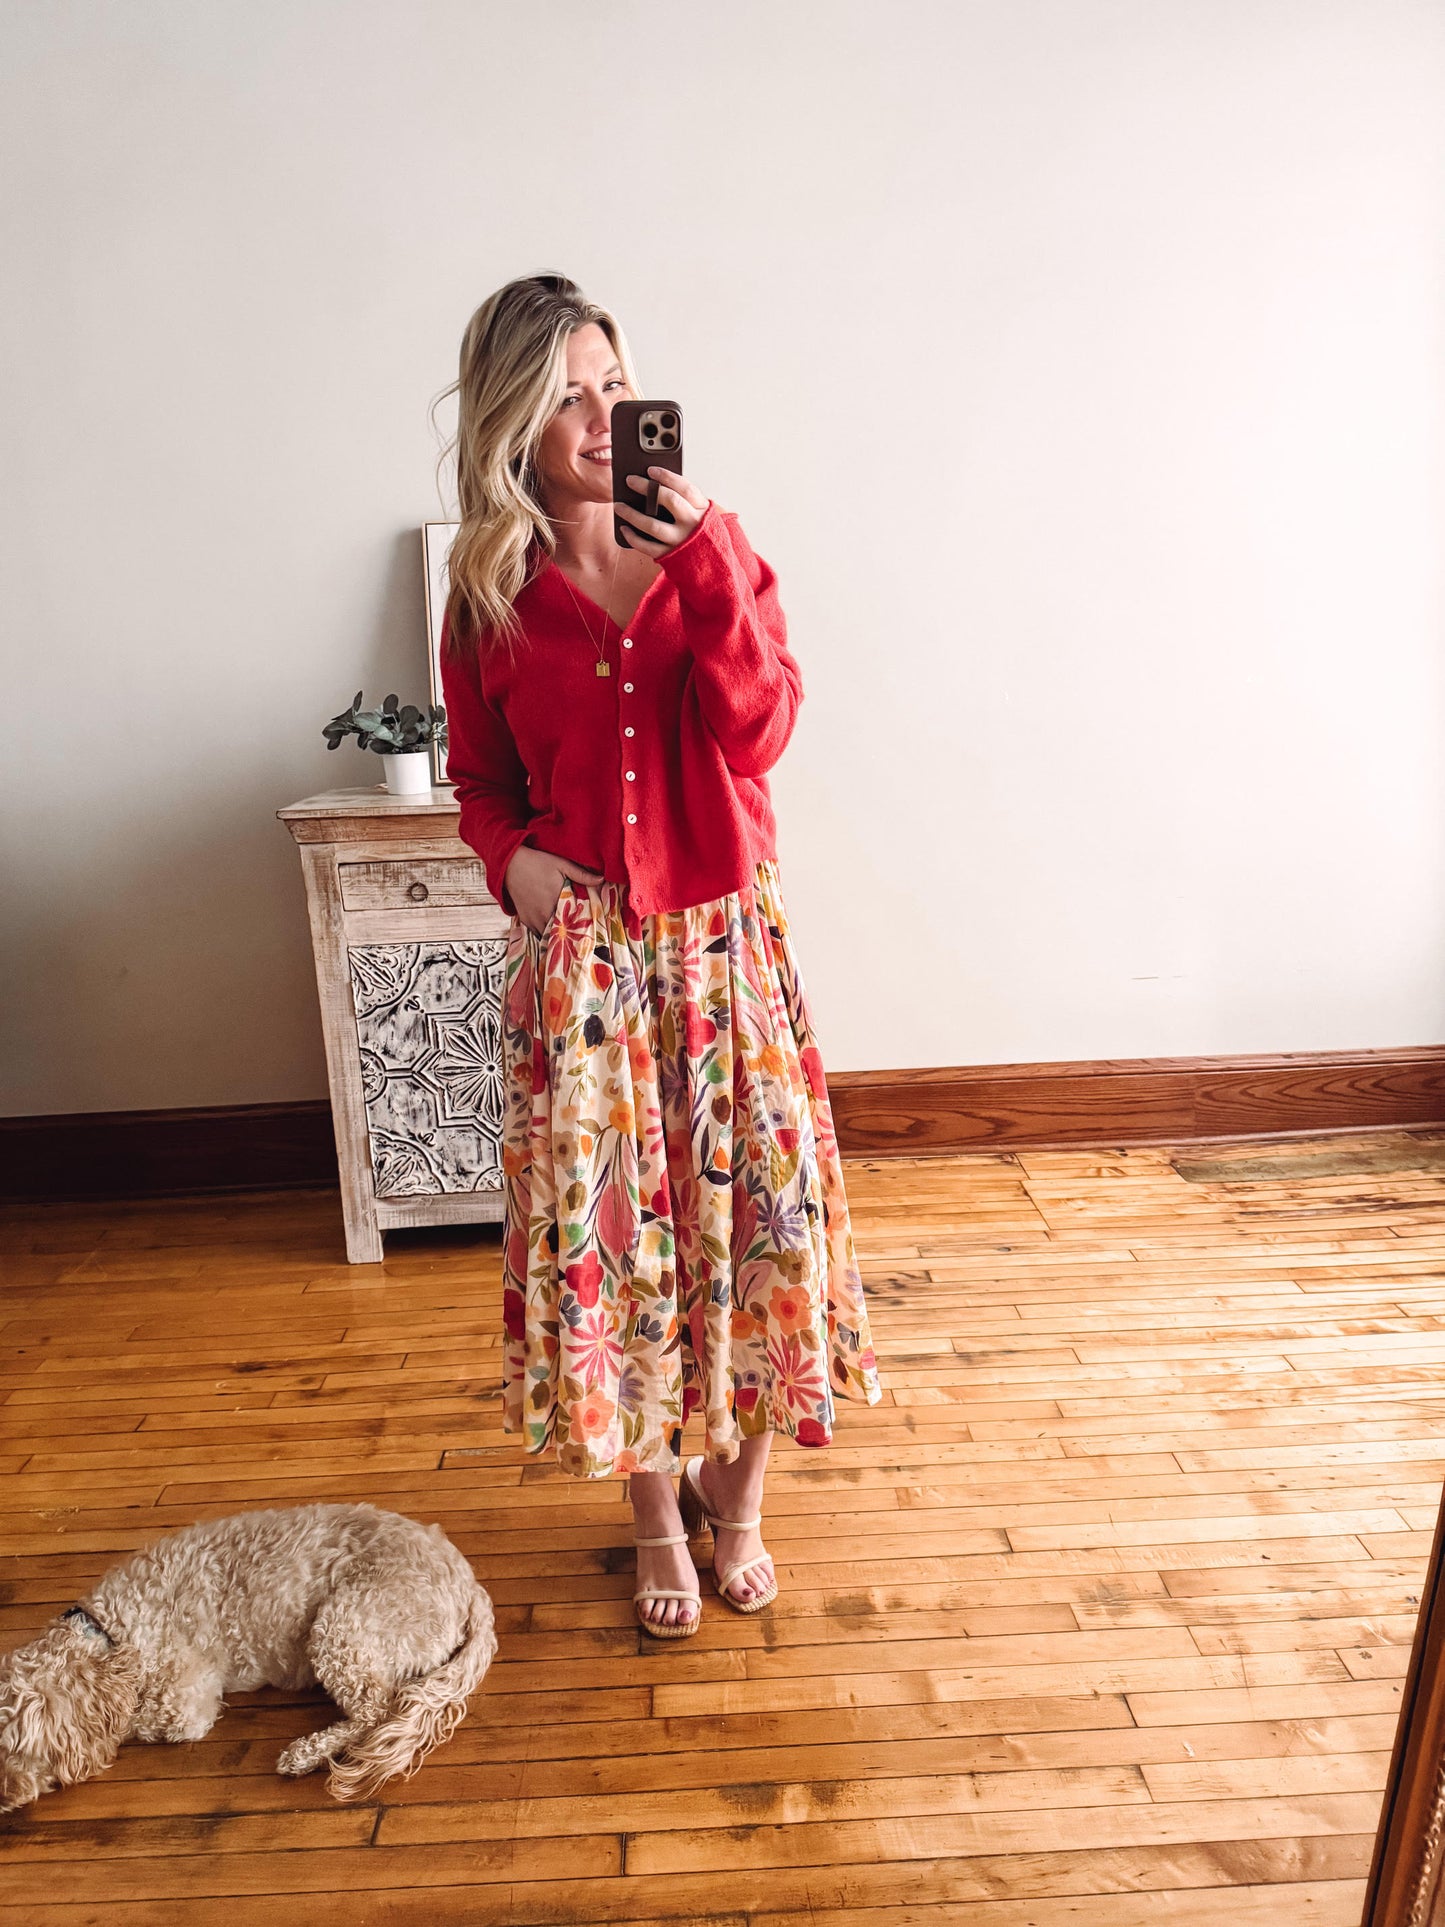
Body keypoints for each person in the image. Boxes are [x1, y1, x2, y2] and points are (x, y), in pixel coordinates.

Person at [438, 273, 881, 1638]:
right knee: (613, 1254)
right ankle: (649, 1520)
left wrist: (703, 563)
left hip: (722, 953)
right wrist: (506, 860)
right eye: (567, 392)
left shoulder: (718, 553)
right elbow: (481, 777)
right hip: (582, 968)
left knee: (764, 1236)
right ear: (513, 415)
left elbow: (758, 733)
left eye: (614, 386)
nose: (596, 414)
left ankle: (735, 1506)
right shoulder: (490, 596)